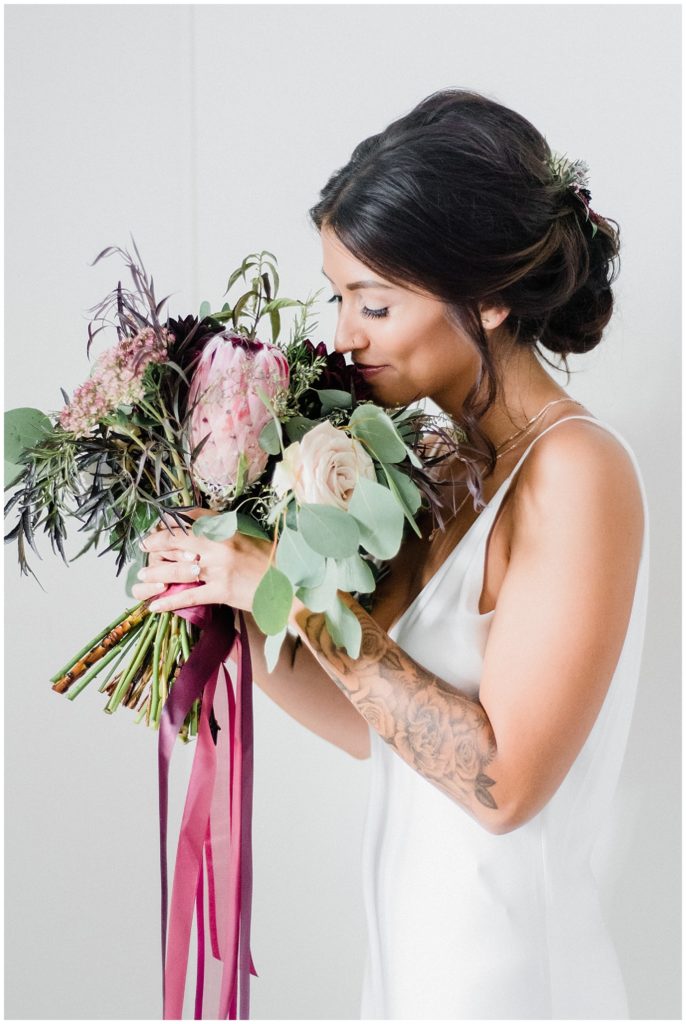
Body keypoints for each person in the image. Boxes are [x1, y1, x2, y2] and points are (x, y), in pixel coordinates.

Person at [132, 89, 649, 1019]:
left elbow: (501, 784)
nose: (343, 336)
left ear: (489, 296)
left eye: (373, 301)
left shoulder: (579, 469)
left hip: (517, 991)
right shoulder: (448, 465)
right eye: (339, 296)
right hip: (412, 982)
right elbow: (385, 728)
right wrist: (230, 601)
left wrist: (289, 596)